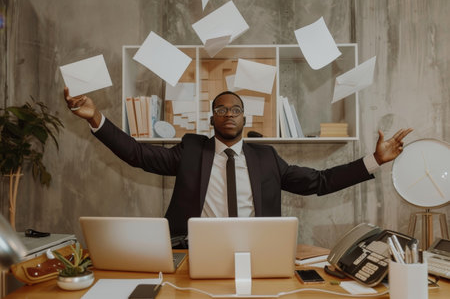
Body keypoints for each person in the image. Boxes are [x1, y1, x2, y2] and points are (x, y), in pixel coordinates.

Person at [64, 87, 413, 237]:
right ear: (211, 119)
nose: (228, 114)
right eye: (221, 110)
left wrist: (374, 161)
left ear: (245, 119)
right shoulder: (190, 150)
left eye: (235, 110)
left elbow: (319, 181)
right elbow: (138, 154)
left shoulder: (266, 158)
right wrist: (96, 118)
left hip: (254, 246)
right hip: (190, 248)